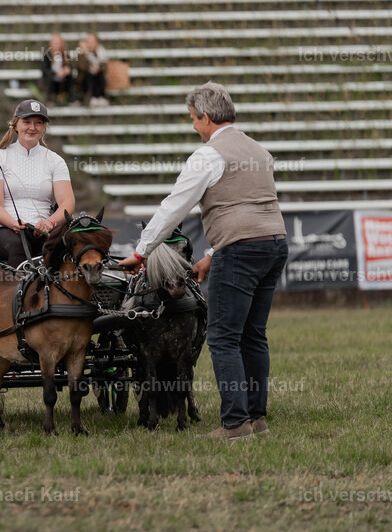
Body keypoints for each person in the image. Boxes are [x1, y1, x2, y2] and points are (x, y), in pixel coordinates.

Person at [117, 82, 288, 441]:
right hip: (274, 243)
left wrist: (141, 251)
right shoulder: (259, 150)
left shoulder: (208, 155)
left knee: (224, 337)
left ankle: (235, 423)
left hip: (240, 250)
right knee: (254, 335)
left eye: (194, 120)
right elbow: (254, 203)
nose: (194, 126)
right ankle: (257, 418)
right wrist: (211, 255)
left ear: (205, 117)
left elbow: (173, 208)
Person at [0, 99, 75, 267]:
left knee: (62, 246)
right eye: (26, 122)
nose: (32, 128)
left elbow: (67, 203)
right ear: (15, 125)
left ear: (44, 128)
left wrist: (50, 222)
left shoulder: (56, 161)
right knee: (18, 246)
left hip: (43, 229)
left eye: (38, 123)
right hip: (8, 228)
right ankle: (17, 292)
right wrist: (13, 223)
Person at [40, 34, 74, 105]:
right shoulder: (47, 55)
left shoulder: (65, 55)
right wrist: (56, 73)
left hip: (62, 82)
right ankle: (50, 99)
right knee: (49, 78)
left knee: (70, 77)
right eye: (55, 42)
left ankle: (70, 99)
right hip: (52, 81)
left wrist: (66, 70)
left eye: (58, 42)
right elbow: (45, 70)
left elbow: (70, 67)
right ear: (51, 43)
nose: (56, 45)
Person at [76, 32, 109, 107]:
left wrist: (99, 68)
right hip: (84, 80)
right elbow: (82, 67)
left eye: (93, 42)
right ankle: (91, 97)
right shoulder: (81, 52)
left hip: (98, 77)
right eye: (89, 42)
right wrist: (84, 54)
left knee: (99, 75)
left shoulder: (101, 52)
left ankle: (101, 96)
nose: (91, 44)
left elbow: (105, 66)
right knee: (90, 75)